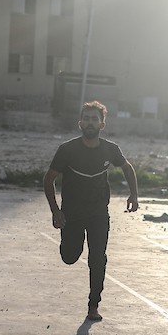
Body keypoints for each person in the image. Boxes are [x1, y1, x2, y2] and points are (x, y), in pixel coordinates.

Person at [43, 100, 140, 321]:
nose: (90, 122)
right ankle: (67, 246)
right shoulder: (67, 150)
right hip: (72, 214)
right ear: (80, 123)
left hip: (98, 214)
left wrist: (134, 194)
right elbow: (49, 180)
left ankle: (93, 305)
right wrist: (55, 211)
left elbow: (127, 167)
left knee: (98, 258)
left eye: (94, 119)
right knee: (70, 257)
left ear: (102, 124)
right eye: (86, 118)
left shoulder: (110, 149)